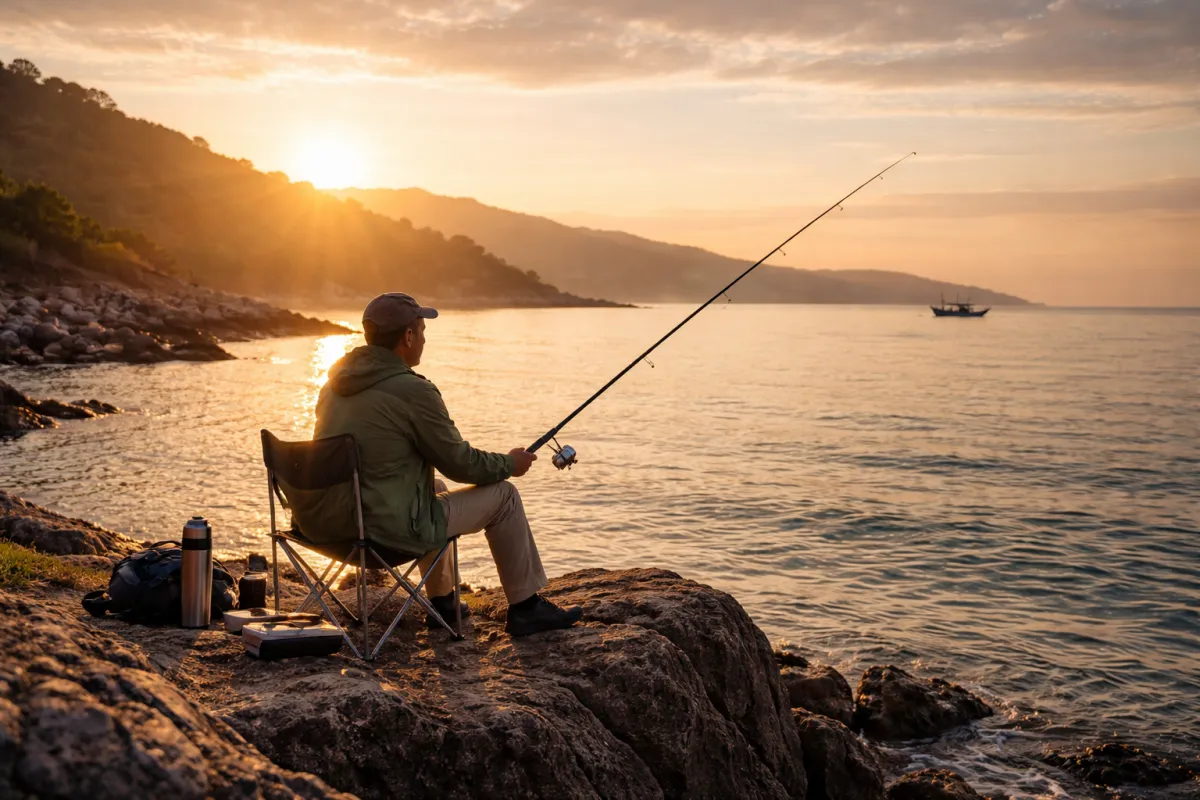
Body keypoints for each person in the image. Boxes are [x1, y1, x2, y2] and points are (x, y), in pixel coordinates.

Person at [311, 292, 582, 637]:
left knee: (435, 488)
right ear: (408, 336)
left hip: (327, 525)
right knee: (505, 497)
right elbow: (460, 464)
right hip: (381, 533)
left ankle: (443, 603)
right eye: (422, 330)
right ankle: (527, 608)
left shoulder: (332, 387)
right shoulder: (413, 391)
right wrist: (509, 463)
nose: (425, 339)